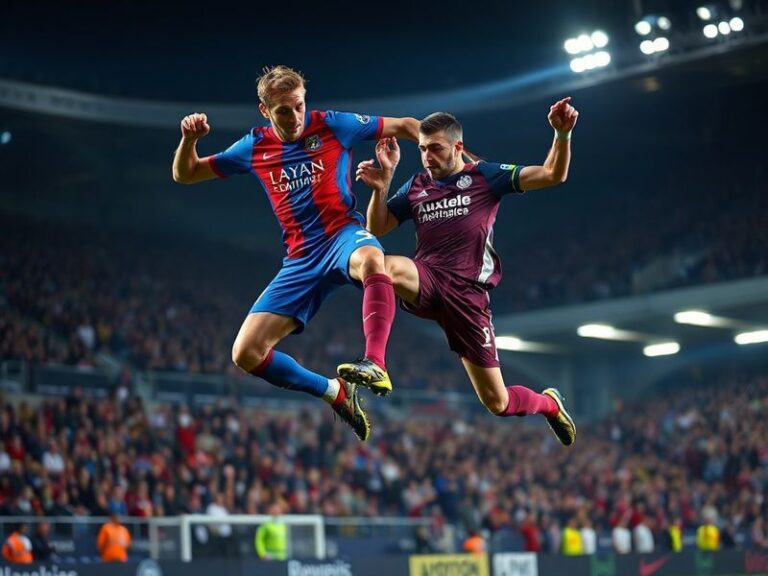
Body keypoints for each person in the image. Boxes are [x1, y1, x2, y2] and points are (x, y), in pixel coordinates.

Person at [172, 65, 420, 442]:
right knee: (246, 353)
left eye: (299, 106)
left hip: (342, 235)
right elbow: (186, 174)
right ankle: (334, 392)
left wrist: (444, 152)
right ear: (264, 111)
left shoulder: (335, 124)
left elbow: (405, 124)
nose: (295, 117)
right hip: (301, 259)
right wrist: (189, 140)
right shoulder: (253, 146)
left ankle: (375, 362)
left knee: (373, 260)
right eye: (284, 111)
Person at [357, 99, 579, 445]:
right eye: (422, 149)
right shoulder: (417, 185)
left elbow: (553, 174)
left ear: (457, 146)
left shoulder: (485, 176)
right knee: (383, 264)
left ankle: (549, 405)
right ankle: (375, 361)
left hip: (468, 296)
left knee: (498, 401)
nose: (428, 157)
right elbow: (378, 227)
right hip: (428, 279)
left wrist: (561, 134)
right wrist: (382, 184)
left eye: (436, 149)